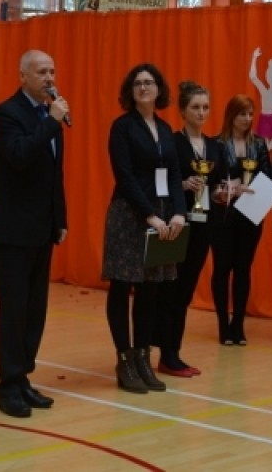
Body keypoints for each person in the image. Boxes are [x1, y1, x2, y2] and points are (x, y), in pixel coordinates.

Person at [0, 50, 69, 418]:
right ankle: (8, 386)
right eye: (41, 72)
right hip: (14, 229)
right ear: (23, 76)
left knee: (35, 310)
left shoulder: (49, 115)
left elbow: (54, 174)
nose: (49, 78)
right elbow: (18, 155)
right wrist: (52, 122)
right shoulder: (7, 113)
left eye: (52, 71)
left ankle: (23, 378)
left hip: (43, 227)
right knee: (14, 309)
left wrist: (60, 218)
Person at [102, 63, 187, 394]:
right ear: (130, 90)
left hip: (163, 216)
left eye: (149, 82)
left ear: (158, 89)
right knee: (123, 286)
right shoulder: (122, 127)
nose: (143, 87)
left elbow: (175, 175)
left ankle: (143, 358)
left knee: (151, 289)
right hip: (129, 216)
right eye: (137, 83)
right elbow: (124, 176)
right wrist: (150, 214)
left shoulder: (165, 129)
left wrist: (179, 213)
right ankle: (124, 360)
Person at [155, 80, 224, 377]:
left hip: (204, 223)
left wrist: (220, 193)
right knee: (170, 287)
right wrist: (183, 184)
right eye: (196, 107)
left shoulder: (214, 146)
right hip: (177, 222)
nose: (201, 112)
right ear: (183, 111)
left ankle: (174, 352)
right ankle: (166, 353)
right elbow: (160, 181)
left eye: (206, 107)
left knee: (185, 290)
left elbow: (216, 183)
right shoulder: (172, 142)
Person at [210, 94, 272, 346]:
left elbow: (268, 177)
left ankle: (238, 324)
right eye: (242, 114)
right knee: (222, 268)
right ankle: (223, 324)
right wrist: (225, 190)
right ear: (231, 115)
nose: (247, 119)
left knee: (243, 269)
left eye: (250, 113)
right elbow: (211, 180)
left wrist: (250, 188)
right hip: (223, 215)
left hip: (250, 214)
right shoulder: (216, 144)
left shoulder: (258, 144)